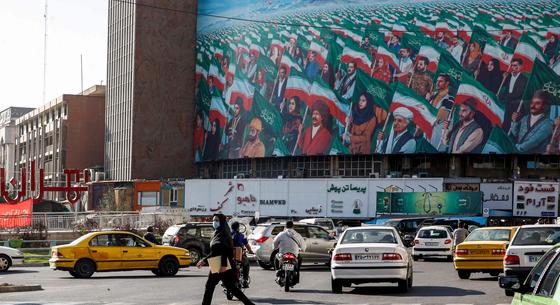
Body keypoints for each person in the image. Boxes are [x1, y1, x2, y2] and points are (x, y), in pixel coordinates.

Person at [198, 214, 255, 305]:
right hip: (217, 261)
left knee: (210, 286)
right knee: (231, 287)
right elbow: (215, 251)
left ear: (222, 221)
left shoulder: (223, 233)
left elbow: (224, 249)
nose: (214, 222)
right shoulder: (217, 232)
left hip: (221, 262)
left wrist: (223, 265)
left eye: (216, 220)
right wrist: (204, 260)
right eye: (213, 220)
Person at [499, 58, 528, 133]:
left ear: (521, 67)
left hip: (517, 107)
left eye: (515, 65)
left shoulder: (524, 79)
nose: (513, 67)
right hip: (508, 105)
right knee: (505, 125)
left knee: (513, 129)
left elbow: (518, 93)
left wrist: (503, 98)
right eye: (512, 65)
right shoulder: (508, 76)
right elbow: (504, 89)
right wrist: (503, 79)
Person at [427, 74, 455, 148]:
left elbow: (440, 117)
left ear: (447, 83)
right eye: (437, 81)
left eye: (440, 81)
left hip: (437, 135)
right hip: (427, 132)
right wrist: (427, 101)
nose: (437, 83)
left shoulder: (450, 99)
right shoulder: (433, 96)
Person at [231, 221, 254, 288]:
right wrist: (250, 251)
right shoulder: (242, 235)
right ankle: (245, 280)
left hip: (230, 255)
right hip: (239, 255)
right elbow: (246, 245)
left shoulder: (228, 234)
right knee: (246, 264)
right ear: (238, 228)